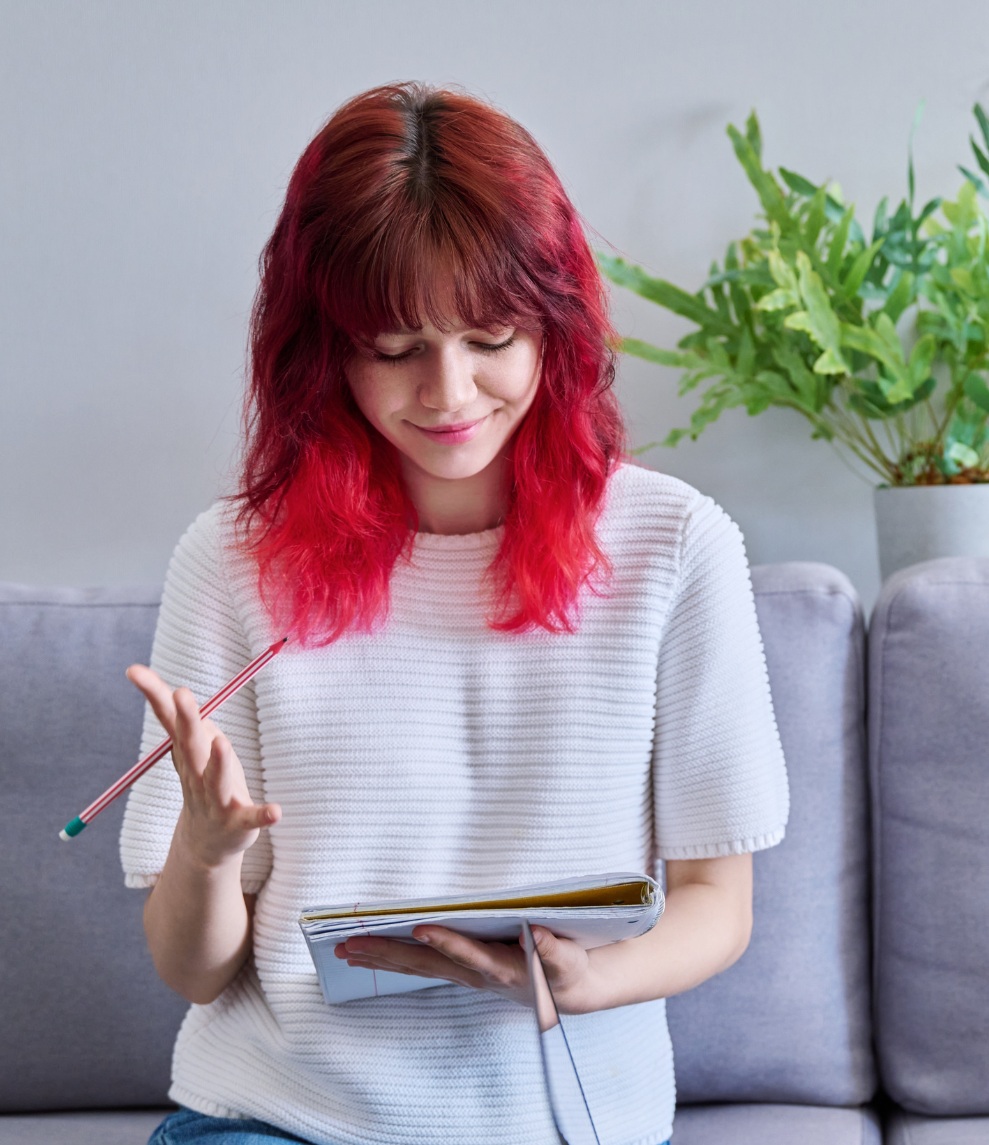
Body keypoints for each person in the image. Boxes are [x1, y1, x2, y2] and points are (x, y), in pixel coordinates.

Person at [120, 83, 789, 1145]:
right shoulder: (234, 558)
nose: (447, 392)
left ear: (553, 327)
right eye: (393, 348)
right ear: (323, 351)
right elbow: (192, 969)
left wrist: (589, 978)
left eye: (489, 337)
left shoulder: (673, 544)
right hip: (281, 1120)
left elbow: (719, 899)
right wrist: (201, 853)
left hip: (570, 1121)